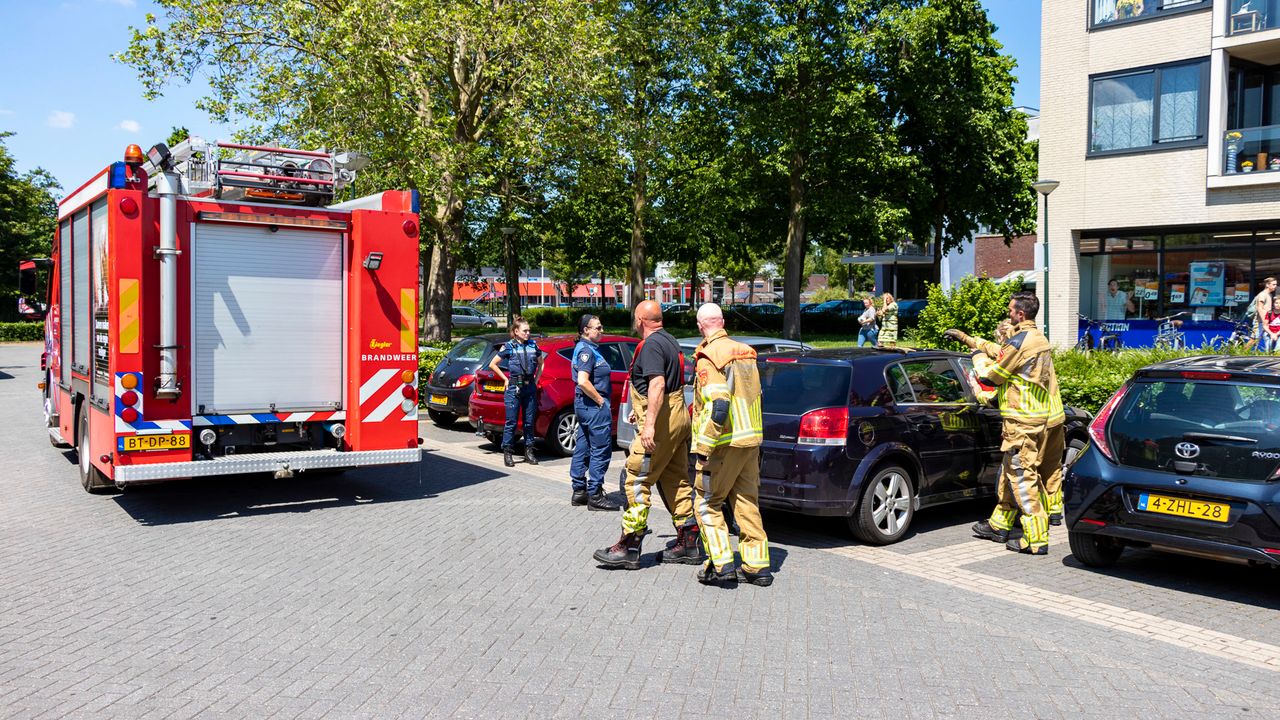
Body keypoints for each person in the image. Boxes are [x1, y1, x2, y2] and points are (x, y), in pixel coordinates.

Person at [945, 291, 1065, 555]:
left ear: (1020, 314)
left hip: (1020, 423)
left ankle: (1035, 539)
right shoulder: (1037, 339)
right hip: (1035, 420)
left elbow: (991, 376)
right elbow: (1002, 351)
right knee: (1014, 474)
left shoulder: (1020, 342)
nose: (1009, 313)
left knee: (1023, 478)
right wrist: (968, 339)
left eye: (1011, 310)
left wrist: (976, 357)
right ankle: (1002, 524)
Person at [593, 300, 699, 570]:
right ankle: (689, 543)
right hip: (677, 419)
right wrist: (641, 413)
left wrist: (649, 424)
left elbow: (657, 383)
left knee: (636, 478)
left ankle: (629, 545)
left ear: (640, 319)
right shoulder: (670, 341)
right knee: (676, 480)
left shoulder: (651, 345)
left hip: (662, 423)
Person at [687, 304, 772, 587]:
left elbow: (719, 404)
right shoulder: (746, 352)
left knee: (706, 502)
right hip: (750, 441)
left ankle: (722, 565)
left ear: (701, 326)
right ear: (722, 322)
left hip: (724, 443)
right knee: (747, 503)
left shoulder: (708, 356)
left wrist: (704, 447)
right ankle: (758, 567)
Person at [569, 315, 619, 510]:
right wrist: (600, 401)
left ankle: (580, 491)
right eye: (597, 328)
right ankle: (595, 495)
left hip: (585, 407)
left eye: (601, 326)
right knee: (600, 449)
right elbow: (583, 380)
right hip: (593, 406)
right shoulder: (586, 351)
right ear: (586, 331)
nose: (601, 330)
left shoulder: (585, 349)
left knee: (583, 445)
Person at [487, 316, 543, 468]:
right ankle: (508, 452)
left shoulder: (533, 345)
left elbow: (541, 362)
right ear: (516, 331)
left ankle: (529, 451)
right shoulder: (509, 346)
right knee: (511, 422)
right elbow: (493, 364)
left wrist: (536, 379)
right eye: (525, 331)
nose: (528, 333)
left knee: (529, 421)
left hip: (529, 386)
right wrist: (505, 379)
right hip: (514, 387)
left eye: (529, 330)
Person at [1249, 277, 1278, 351]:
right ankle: (1241, 355)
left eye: (1276, 284)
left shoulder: (1269, 295)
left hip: (1265, 322)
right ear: (1267, 285)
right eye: (1273, 284)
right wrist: (1265, 321)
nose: (1275, 286)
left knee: (1264, 339)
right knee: (1254, 339)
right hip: (1259, 322)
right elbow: (1260, 308)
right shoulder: (1263, 294)